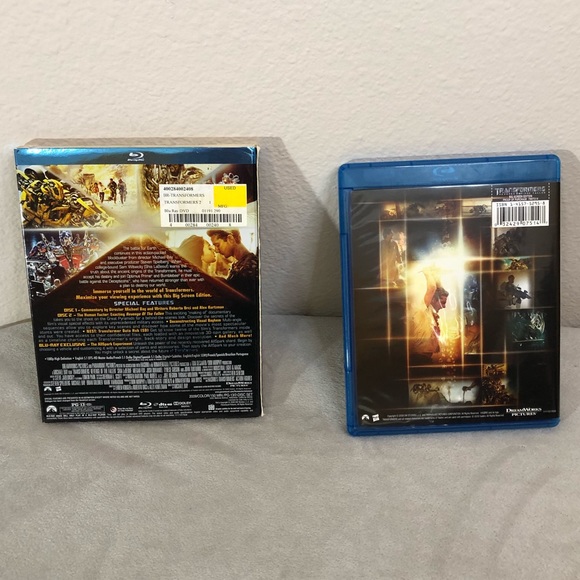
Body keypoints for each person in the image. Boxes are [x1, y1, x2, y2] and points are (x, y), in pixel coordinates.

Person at [409, 268, 449, 365]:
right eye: (443, 302)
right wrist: (427, 271)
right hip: (418, 359)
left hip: (424, 358)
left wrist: (437, 276)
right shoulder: (423, 309)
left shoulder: (432, 314)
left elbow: (438, 290)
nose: (444, 306)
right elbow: (432, 288)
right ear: (433, 300)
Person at [207, 229, 258, 300]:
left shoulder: (251, 266)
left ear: (230, 239)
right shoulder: (240, 264)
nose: (216, 250)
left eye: (217, 245)